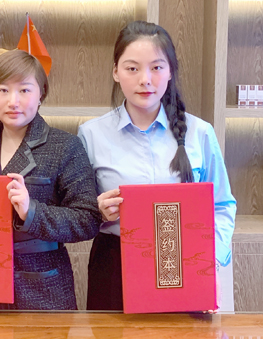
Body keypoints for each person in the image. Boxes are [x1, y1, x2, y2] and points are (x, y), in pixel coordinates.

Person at [77, 20, 236, 311]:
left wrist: (210, 261)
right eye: (132, 68)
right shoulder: (90, 134)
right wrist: (97, 211)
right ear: (116, 72)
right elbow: (78, 211)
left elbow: (222, 205)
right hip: (114, 265)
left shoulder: (200, 133)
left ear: (170, 71)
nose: (145, 80)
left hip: (185, 260)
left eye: (157, 67)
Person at [0, 50, 101, 310]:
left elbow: (88, 219)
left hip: (43, 289)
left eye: (24, 90)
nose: (13, 101)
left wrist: (32, 212)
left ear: (41, 94)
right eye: (3, 90)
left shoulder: (65, 146)